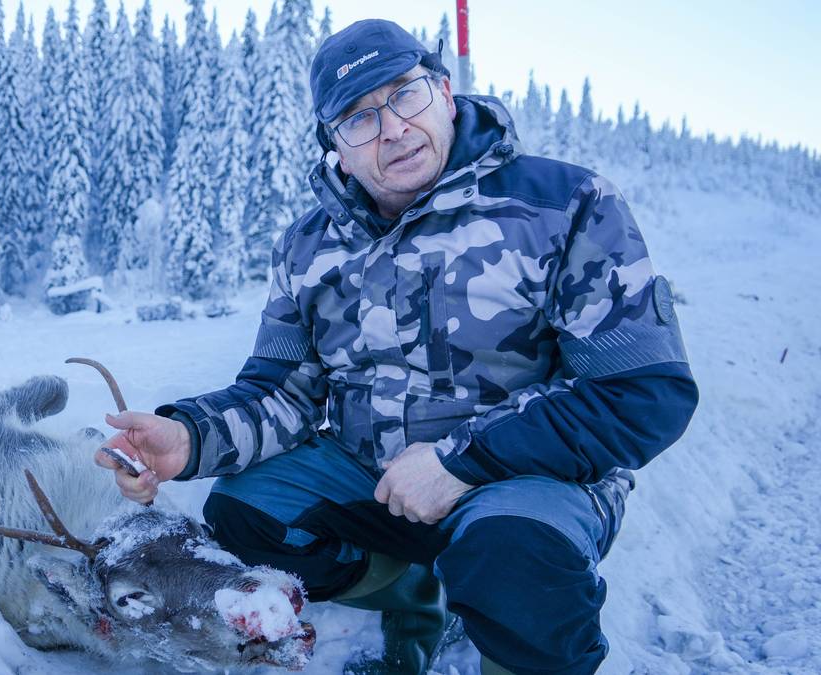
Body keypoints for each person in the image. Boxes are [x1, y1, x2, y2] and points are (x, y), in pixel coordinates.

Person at [96, 18, 698, 675]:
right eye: (359, 118)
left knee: (509, 556)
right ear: (336, 147)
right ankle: (419, 592)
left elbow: (643, 393)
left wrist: (462, 460)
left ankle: (514, 642)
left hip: (527, 482)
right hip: (375, 477)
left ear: (443, 90)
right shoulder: (307, 246)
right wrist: (191, 438)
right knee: (246, 514)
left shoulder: (567, 205)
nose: (392, 129)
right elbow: (284, 392)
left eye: (404, 94)